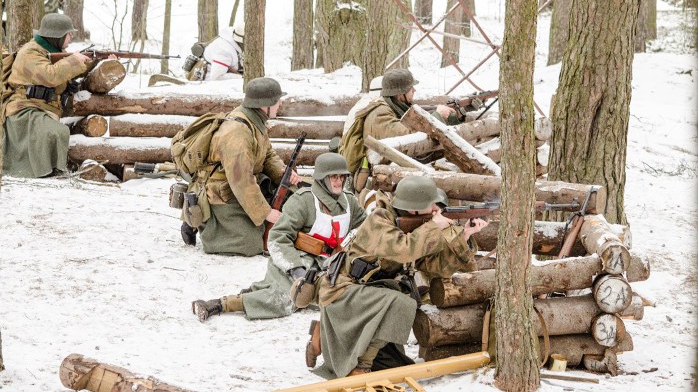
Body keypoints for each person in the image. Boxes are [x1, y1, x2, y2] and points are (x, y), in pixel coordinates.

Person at [308, 176, 487, 377]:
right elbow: (404, 250)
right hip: (344, 291)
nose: (435, 210)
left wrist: (465, 235)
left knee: (392, 366)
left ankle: (323, 336)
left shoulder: (414, 228)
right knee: (402, 303)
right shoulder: (379, 220)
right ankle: (359, 367)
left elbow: (435, 268)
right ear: (413, 209)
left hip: (371, 294)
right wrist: (433, 227)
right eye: (431, 205)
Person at [191, 153, 367, 322]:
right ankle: (220, 304)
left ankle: (256, 292)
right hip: (299, 260)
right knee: (282, 300)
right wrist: (296, 269)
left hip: (332, 263)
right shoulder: (303, 201)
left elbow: (366, 226)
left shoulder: (349, 202)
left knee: (343, 295)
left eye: (341, 177)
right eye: (333, 177)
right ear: (322, 178)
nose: (339, 181)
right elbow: (277, 237)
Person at [194, 77, 300, 256]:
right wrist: (266, 213)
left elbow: (267, 153)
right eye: (276, 100)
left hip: (242, 188)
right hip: (222, 194)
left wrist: (282, 172)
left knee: (294, 196)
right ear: (264, 104)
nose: (280, 103)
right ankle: (200, 222)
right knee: (250, 245)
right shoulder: (237, 132)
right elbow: (241, 180)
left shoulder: (255, 121)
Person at [1, 14, 92, 178]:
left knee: (56, 131)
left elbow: (68, 68)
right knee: (55, 132)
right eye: (68, 34)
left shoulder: (54, 51)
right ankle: (48, 170)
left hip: (43, 109)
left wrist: (99, 61)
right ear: (57, 36)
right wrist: (75, 60)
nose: (71, 36)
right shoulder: (30, 52)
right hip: (24, 109)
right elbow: (50, 75)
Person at [338, 68, 457, 192]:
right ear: (400, 94)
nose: (414, 90)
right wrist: (437, 116)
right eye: (410, 88)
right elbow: (410, 136)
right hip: (378, 185)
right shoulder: (380, 114)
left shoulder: (395, 107)